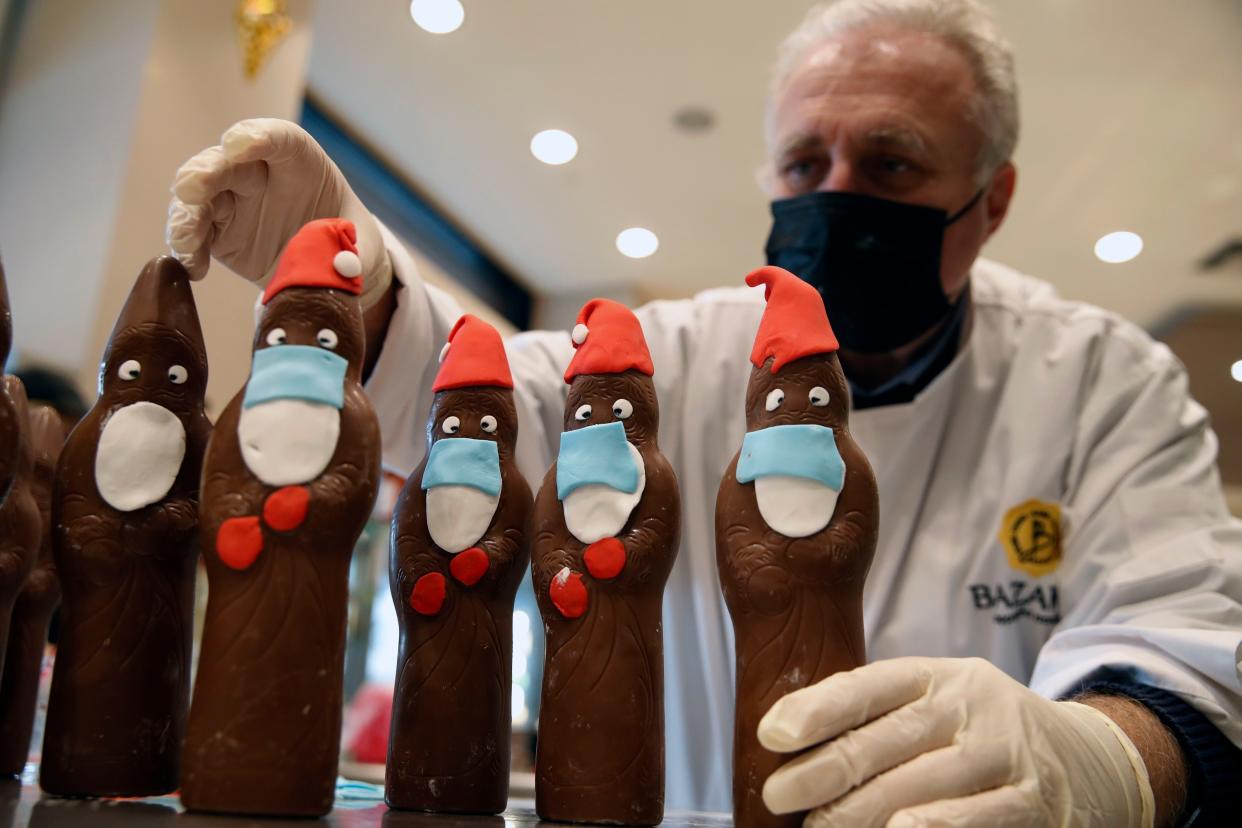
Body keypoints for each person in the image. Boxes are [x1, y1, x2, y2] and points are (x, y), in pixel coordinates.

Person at [166, 0, 1242, 823]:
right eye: (805, 163)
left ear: (991, 198)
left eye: (892, 162)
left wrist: (1097, 762)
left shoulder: (1105, 384)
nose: (837, 193)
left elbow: (1188, 653)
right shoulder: (675, 361)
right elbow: (474, 413)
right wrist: (368, 285)